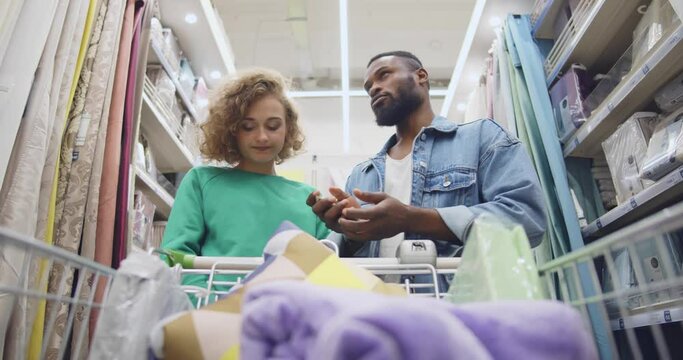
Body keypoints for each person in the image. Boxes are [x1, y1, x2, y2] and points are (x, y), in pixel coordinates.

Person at [307, 50, 546, 260]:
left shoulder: (481, 138)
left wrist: (412, 218)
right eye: (369, 87)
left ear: (421, 76)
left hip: (456, 306)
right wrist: (351, 235)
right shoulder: (362, 175)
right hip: (380, 306)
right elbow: (352, 264)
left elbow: (527, 221)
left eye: (384, 75)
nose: (374, 88)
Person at [162, 69, 330, 294]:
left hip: (289, 318)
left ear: (287, 129)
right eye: (248, 127)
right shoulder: (201, 182)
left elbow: (328, 269)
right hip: (213, 316)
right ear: (231, 130)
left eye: (273, 126)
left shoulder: (308, 198)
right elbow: (175, 258)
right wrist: (209, 308)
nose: (262, 137)